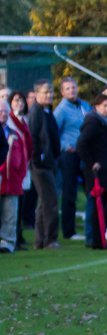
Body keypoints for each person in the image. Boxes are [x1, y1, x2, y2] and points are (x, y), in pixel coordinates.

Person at [76, 92, 107, 249]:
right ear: (96, 107)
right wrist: (91, 163)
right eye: (104, 106)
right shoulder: (92, 123)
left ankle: (98, 237)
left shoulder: (106, 123)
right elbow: (82, 144)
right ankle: (95, 239)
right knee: (102, 205)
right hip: (99, 173)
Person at [53, 77, 92, 242]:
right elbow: (53, 132)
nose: (71, 91)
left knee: (92, 189)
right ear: (62, 91)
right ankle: (69, 230)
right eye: (67, 88)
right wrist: (64, 146)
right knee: (69, 192)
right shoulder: (61, 110)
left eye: (73, 87)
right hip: (69, 154)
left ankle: (95, 226)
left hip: (85, 153)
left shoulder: (84, 106)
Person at [28, 80, 61, 249]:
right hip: (40, 164)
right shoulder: (36, 112)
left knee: (43, 203)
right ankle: (50, 239)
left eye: (50, 92)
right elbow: (32, 136)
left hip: (48, 162)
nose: (49, 95)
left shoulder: (47, 111)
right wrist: (38, 158)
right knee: (50, 201)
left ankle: (40, 240)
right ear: (37, 94)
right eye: (45, 92)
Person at [9, 91, 34, 250]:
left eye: (21, 101)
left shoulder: (24, 121)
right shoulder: (10, 121)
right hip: (12, 168)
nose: (19, 103)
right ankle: (12, 236)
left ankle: (18, 234)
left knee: (21, 202)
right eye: (16, 100)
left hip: (24, 166)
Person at [0, 102, 27, 253]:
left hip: (12, 180)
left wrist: (21, 175)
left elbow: (23, 157)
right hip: (1, 176)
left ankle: (7, 243)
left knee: (10, 214)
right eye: (0, 111)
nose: (3, 114)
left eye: (5, 111)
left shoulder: (15, 134)